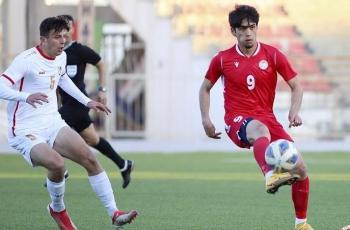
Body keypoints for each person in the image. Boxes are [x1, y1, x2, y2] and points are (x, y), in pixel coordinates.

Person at [0, 17, 138, 229]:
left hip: (53, 122)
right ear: (43, 39)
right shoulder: (26, 60)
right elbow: (1, 87)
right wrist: (25, 97)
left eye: (65, 36)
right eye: (57, 37)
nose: (62, 41)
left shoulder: (61, 57)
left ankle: (114, 213)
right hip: (25, 129)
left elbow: (63, 79)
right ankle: (58, 209)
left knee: (90, 159)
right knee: (57, 164)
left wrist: (87, 101)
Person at [199, 5, 313, 230]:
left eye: (252, 27)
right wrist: (206, 119)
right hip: (237, 119)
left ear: (257, 27)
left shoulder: (272, 54)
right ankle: (270, 174)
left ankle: (301, 225)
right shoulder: (222, 60)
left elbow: (296, 86)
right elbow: (205, 88)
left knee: (300, 170)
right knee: (259, 129)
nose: (248, 33)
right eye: (243, 29)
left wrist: (294, 111)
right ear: (234, 32)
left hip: (268, 120)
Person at [55, 14, 133, 189]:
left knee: (50, 131)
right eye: (59, 28)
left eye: (66, 28)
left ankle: (60, 170)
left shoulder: (79, 50)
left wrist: (102, 89)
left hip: (78, 104)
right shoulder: (56, 53)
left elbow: (101, 64)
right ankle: (123, 164)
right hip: (67, 104)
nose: (63, 32)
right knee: (92, 139)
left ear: (71, 30)